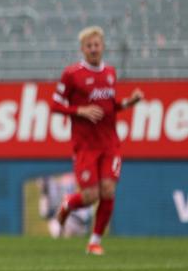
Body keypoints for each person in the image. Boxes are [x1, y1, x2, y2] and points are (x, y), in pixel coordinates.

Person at [50, 26, 143, 255]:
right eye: (89, 46)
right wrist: (80, 110)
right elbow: (55, 105)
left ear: (102, 47)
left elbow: (109, 108)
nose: (93, 49)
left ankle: (94, 241)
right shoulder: (72, 74)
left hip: (110, 143)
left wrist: (127, 104)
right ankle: (69, 203)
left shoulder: (110, 72)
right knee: (90, 196)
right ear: (82, 49)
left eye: (97, 45)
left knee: (108, 191)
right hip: (85, 145)